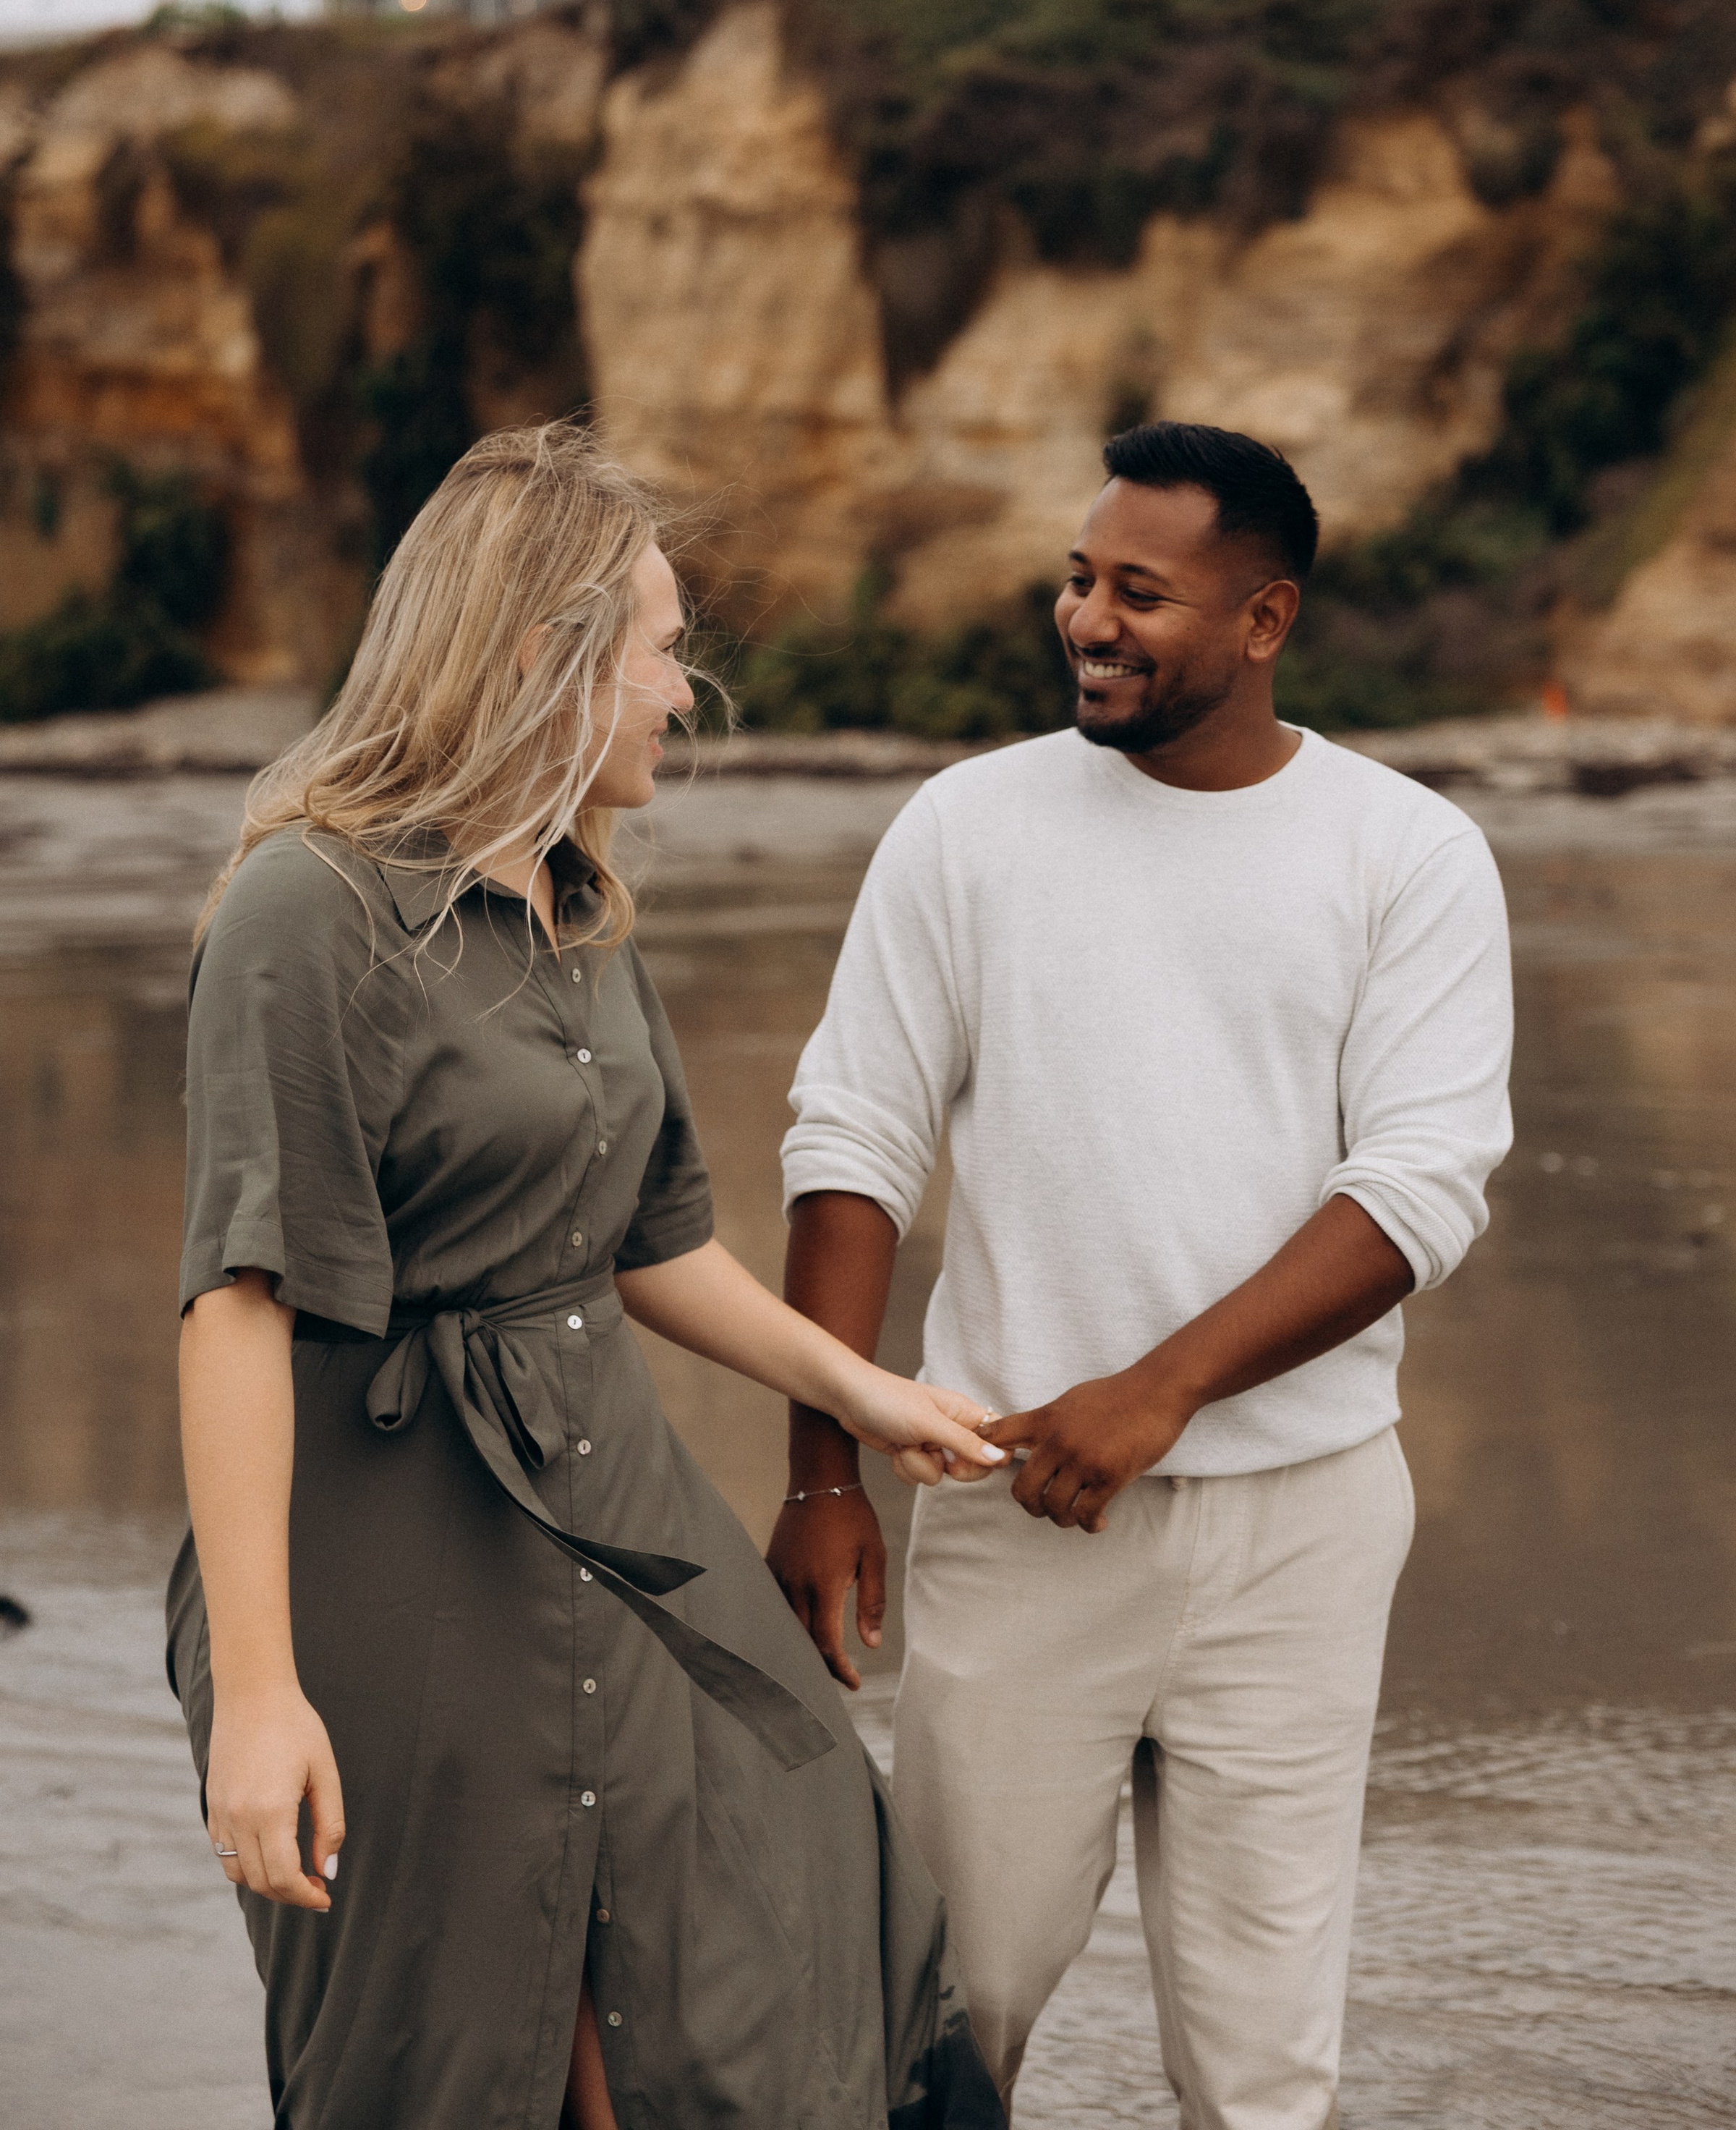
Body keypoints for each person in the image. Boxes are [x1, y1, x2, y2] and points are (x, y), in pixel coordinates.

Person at [166, 423, 1009, 2130]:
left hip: (614, 1495)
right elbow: (239, 1305)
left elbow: (650, 1241)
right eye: (655, 648)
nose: (679, 694)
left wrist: (856, 1389)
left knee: (811, 1901)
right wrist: (260, 1696)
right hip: (390, 1535)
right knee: (473, 2018)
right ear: (545, 657)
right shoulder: (305, 911)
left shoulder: (578, 910)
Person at [770, 421, 1514, 2130]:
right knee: (944, 2019)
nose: (1085, 618)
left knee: (1260, 2064)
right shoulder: (967, 830)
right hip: (1019, 1512)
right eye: (1079, 578)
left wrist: (1159, 1390)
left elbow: (1414, 1189)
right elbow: (852, 1143)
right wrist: (824, 1468)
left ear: (1263, 622)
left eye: (1140, 593)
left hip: (1303, 1531)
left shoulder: (1403, 854)